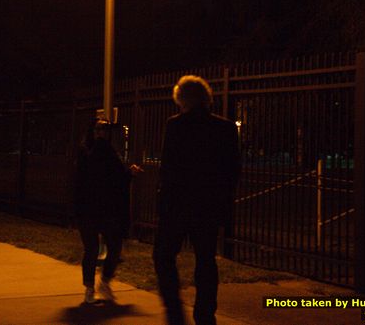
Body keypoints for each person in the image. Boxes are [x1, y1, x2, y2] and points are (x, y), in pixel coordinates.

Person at [153, 75, 240, 325]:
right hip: (209, 205)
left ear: (182, 99)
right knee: (206, 259)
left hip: (178, 204)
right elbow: (233, 169)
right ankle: (205, 314)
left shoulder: (176, 125)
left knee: (163, 256)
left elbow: (168, 168)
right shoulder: (225, 128)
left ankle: (174, 311)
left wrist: (165, 200)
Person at [73, 119, 142, 304]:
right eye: (98, 129)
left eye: (105, 130)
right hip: (89, 208)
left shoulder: (111, 153)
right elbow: (82, 180)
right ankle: (89, 288)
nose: (102, 133)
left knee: (114, 247)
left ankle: (104, 282)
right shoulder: (85, 152)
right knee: (91, 249)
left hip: (109, 210)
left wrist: (130, 173)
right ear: (92, 131)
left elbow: (118, 178)